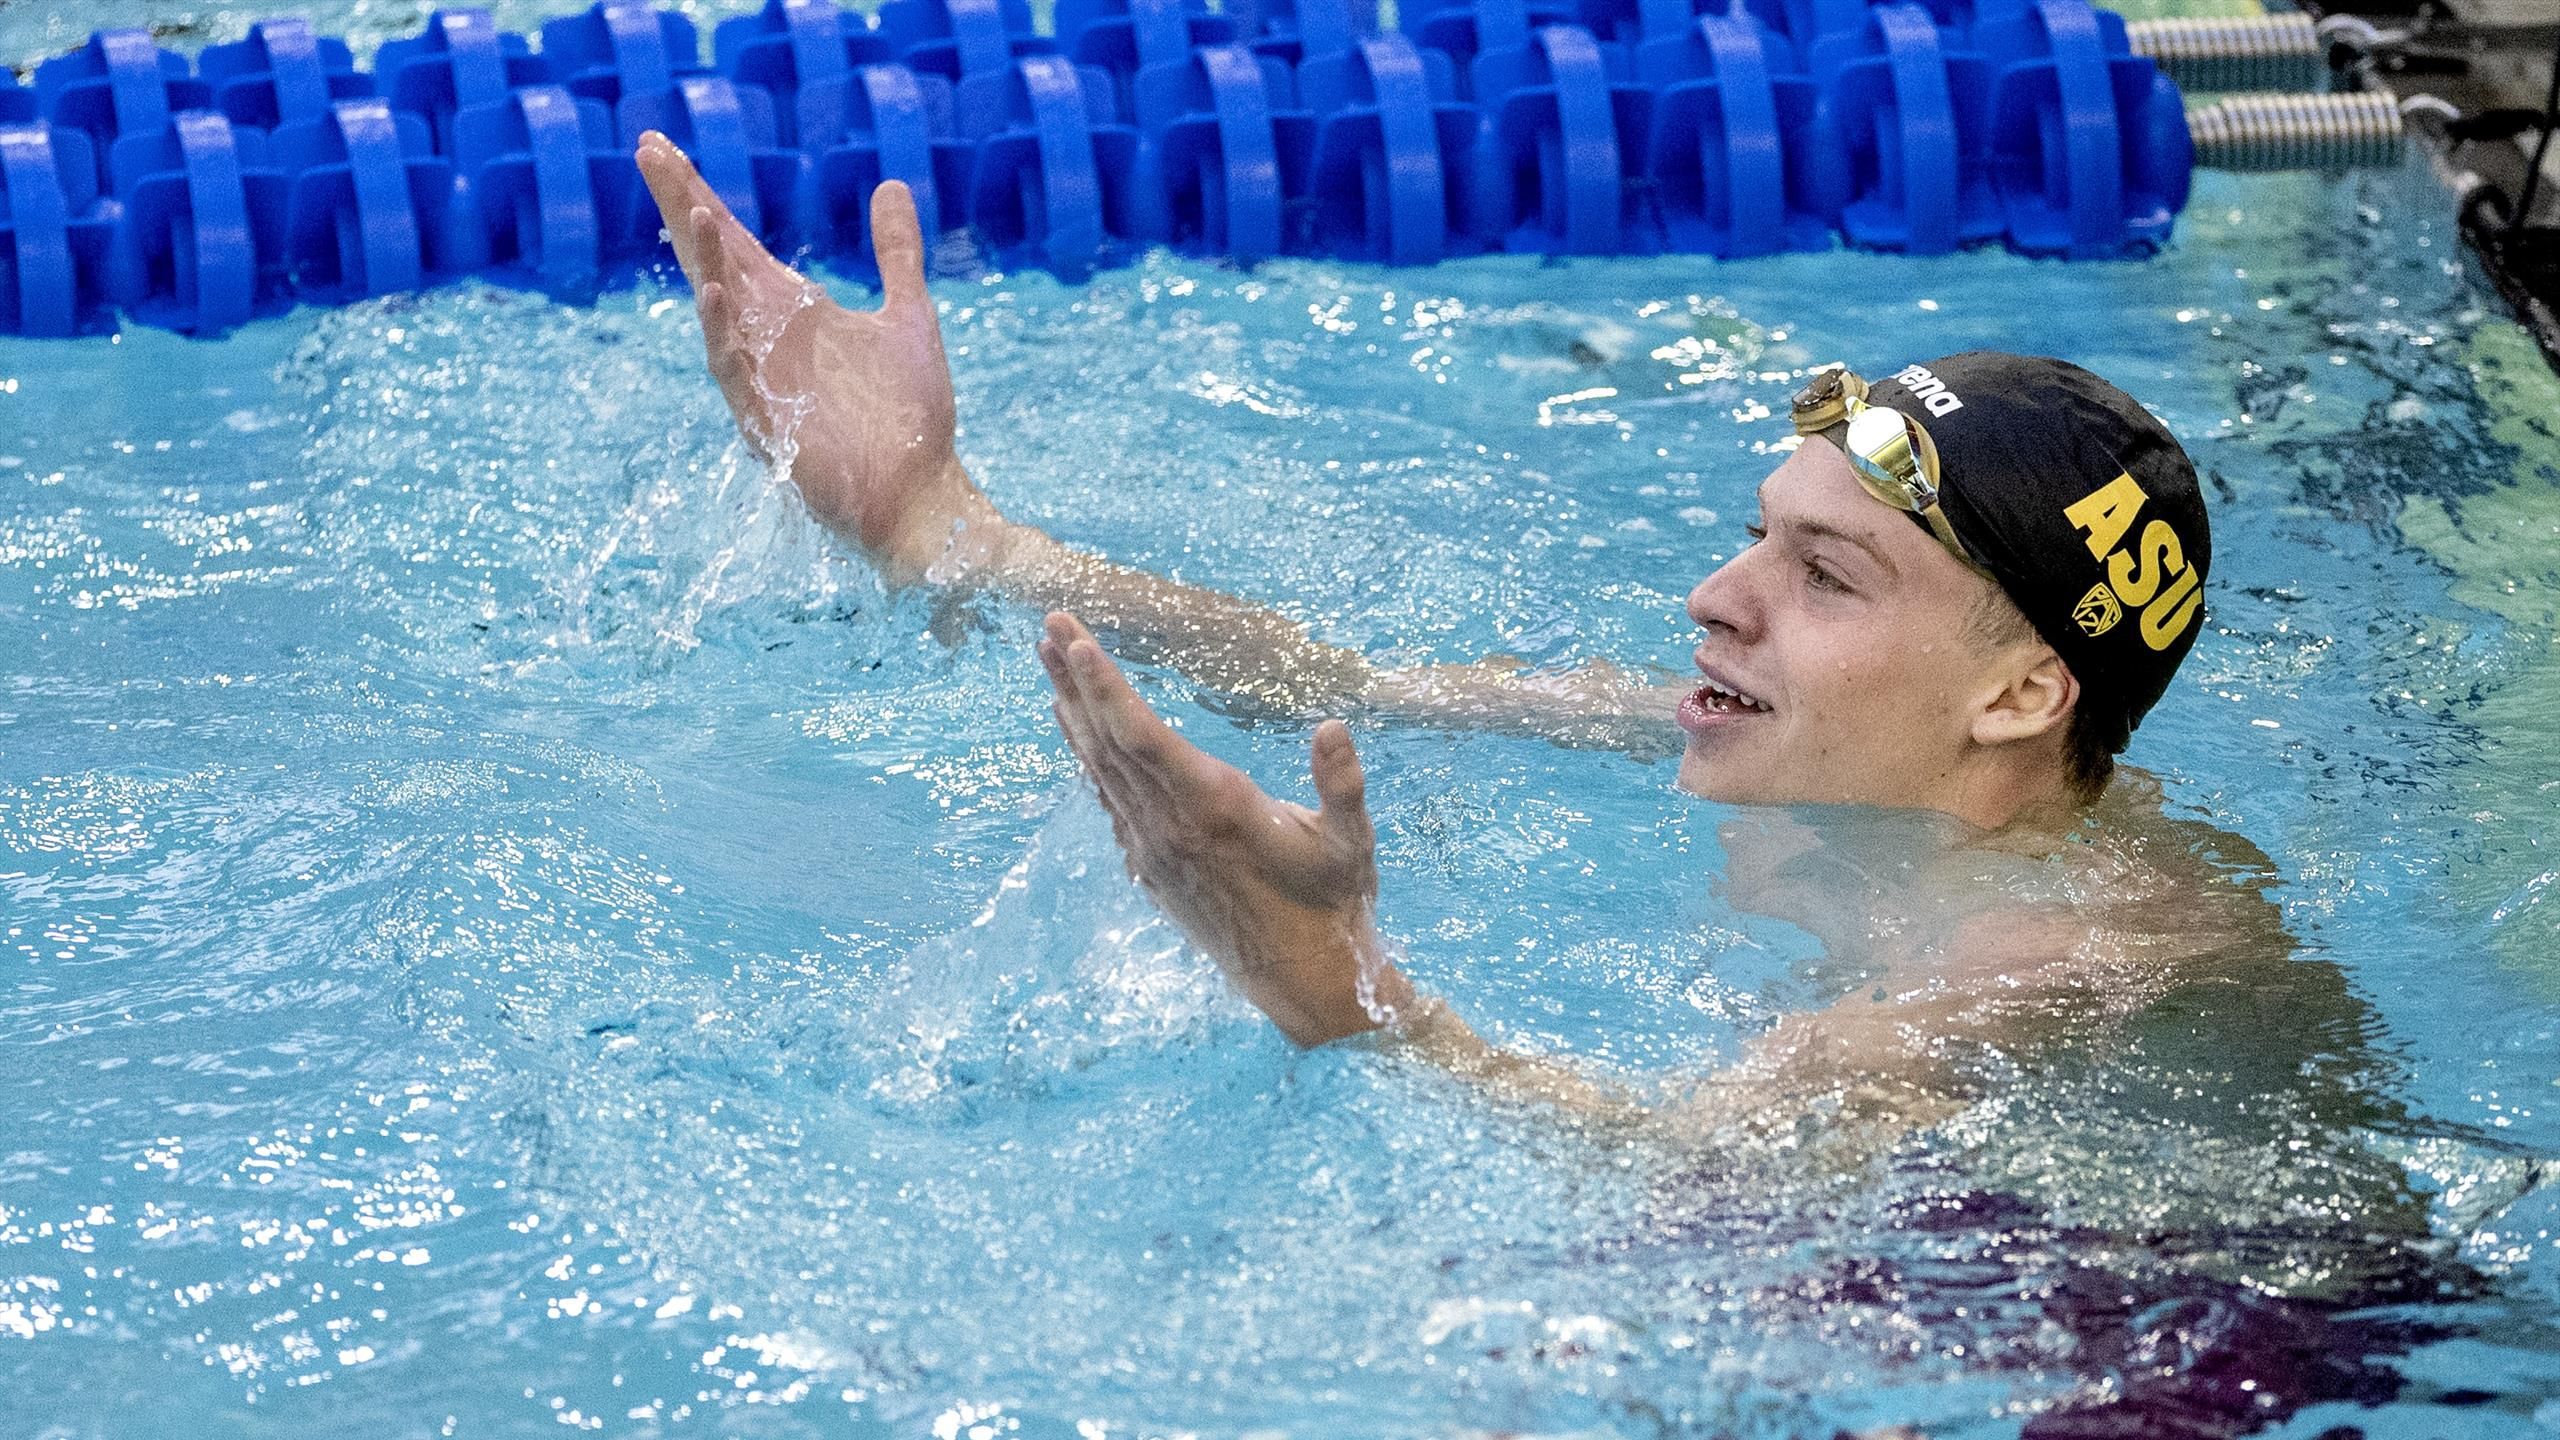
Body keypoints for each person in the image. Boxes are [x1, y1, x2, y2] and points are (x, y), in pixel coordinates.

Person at [634, 135, 2491, 1435]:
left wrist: (1353, 1006)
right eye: (1760, 535)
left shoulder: (2053, 959)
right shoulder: (1806, 751)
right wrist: (954, 533)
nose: (1720, 595)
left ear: (2019, 692)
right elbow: (1350, 685)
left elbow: (1699, 1144)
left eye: (1825, 577)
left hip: (2181, 1344)